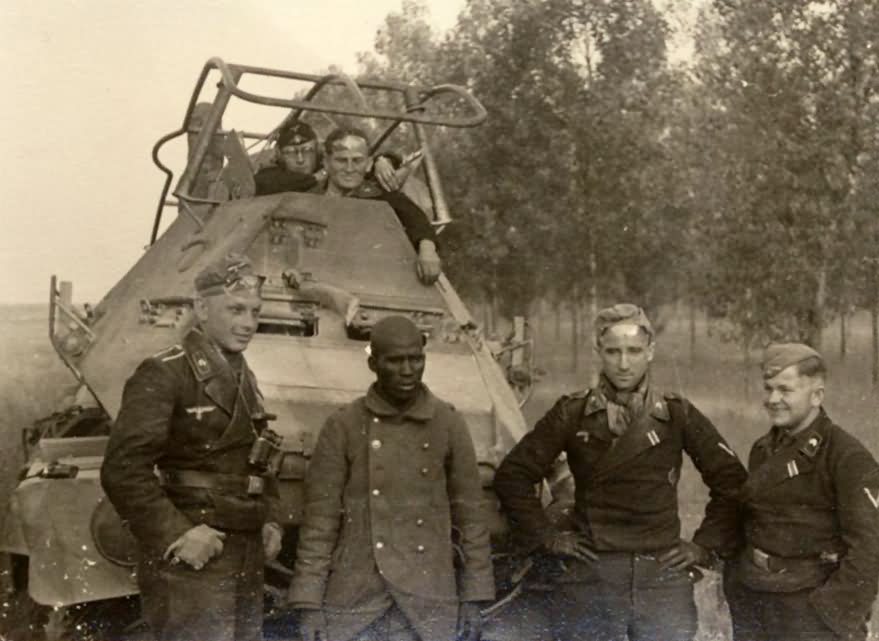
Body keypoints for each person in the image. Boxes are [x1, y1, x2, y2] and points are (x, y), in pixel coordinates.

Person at [493, 303, 748, 641]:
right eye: (613, 351)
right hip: (593, 575)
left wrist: (703, 546)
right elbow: (513, 475)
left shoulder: (676, 414)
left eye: (634, 351)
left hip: (661, 576)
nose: (624, 363)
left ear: (651, 351)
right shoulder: (573, 412)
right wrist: (547, 537)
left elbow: (731, 481)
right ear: (599, 352)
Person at [100, 253, 284, 641]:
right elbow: (123, 470)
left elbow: (254, 457)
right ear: (201, 307)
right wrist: (177, 535)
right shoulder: (165, 371)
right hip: (195, 550)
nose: (248, 323)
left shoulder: (242, 374)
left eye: (254, 311)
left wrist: (268, 517)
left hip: (243, 547)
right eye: (235, 309)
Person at [288, 315, 494, 641]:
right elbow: (319, 523)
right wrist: (309, 603)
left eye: (416, 359)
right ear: (373, 363)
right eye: (395, 361)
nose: (408, 370)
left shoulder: (448, 423)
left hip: (427, 600)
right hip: (357, 598)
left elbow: (471, 517)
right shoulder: (343, 425)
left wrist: (473, 597)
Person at [723, 343, 879, 641]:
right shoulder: (762, 449)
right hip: (757, 597)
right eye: (768, 389)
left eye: (785, 390)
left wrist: (831, 614)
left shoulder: (846, 456)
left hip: (810, 608)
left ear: (817, 395)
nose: (773, 399)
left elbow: (869, 548)